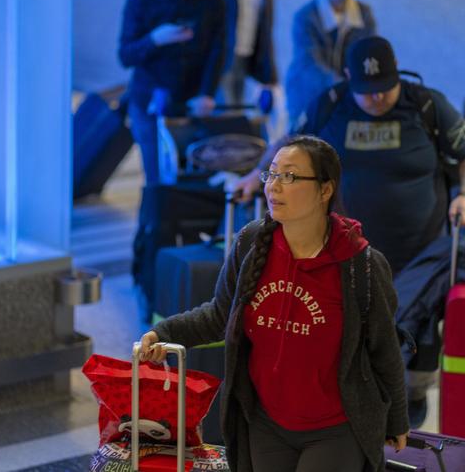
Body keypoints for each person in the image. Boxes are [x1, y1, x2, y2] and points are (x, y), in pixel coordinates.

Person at [237, 36, 465, 428]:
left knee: (415, 339)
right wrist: (257, 176)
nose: (376, 100)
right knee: (345, 334)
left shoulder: (425, 104)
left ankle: (411, 403)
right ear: (349, 77)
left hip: (420, 251)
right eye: (367, 92)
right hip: (345, 251)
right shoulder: (332, 103)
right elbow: (289, 143)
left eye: (385, 89)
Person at [140, 135, 409, 472]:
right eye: (271, 174)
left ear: (325, 190)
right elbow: (220, 314)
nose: (274, 187)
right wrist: (162, 332)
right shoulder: (252, 244)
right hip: (265, 422)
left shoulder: (360, 265)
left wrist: (397, 418)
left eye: (291, 176)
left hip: (336, 428)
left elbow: (384, 348)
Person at [118, 0, 226, 186]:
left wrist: (207, 93)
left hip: (192, 101)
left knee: (195, 176)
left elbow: (217, 47)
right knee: (157, 178)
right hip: (150, 101)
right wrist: (155, 39)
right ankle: (154, 216)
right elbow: (126, 55)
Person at [285, 0, 376, 128]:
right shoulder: (305, 16)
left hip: (347, 98)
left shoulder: (364, 14)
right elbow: (312, 65)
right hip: (308, 97)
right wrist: (351, 89)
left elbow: (369, 57)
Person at [220, 0, 277, 106]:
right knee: (225, 113)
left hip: (249, 58)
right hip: (224, 58)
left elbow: (265, 29)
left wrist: (269, 73)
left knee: (243, 114)